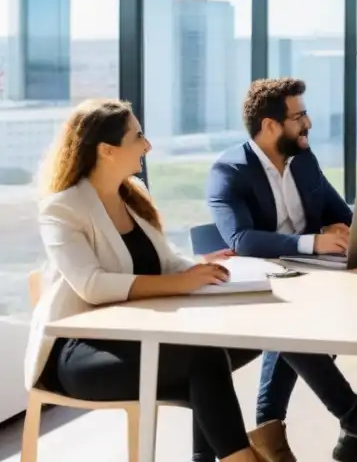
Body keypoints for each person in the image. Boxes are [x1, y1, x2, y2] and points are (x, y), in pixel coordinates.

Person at [27, 100, 277, 462]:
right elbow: (92, 286)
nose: (147, 146)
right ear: (107, 150)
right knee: (204, 358)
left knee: (234, 345)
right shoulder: (62, 209)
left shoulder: (133, 195)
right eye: (138, 136)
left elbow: (167, 262)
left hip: (139, 339)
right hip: (83, 354)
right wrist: (181, 284)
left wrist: (204, 268)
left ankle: (226, 456)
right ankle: (244, 457)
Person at [208, 78, 357, 462]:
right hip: (258, 286)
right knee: (297, 325)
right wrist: (312, 242)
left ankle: (309, 432)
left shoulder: (304, 160)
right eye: (299, 115)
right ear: (270, 126)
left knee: (326, 315)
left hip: (308, 279)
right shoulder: (229, 171)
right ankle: (353, 419)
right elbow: (240, 239)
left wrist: (342, 230)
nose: (309, 123)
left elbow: (342, 215)